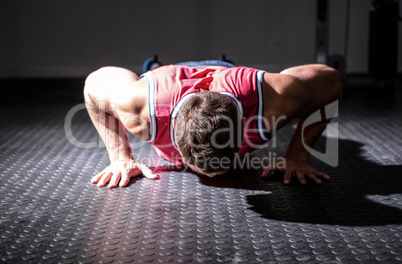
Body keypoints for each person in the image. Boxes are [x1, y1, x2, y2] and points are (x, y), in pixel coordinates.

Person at [83, 59, 343, 188]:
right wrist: (120, 157)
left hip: (228, 75)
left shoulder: (274, 98)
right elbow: (92, 85)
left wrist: (297, 155)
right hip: (169, 78)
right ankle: (154, 65)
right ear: (173, 128)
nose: (209, 174)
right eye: (201, 167)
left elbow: (332, 82)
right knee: (151, 67)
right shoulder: (139, 107)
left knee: (226, 66)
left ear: (243, 124)